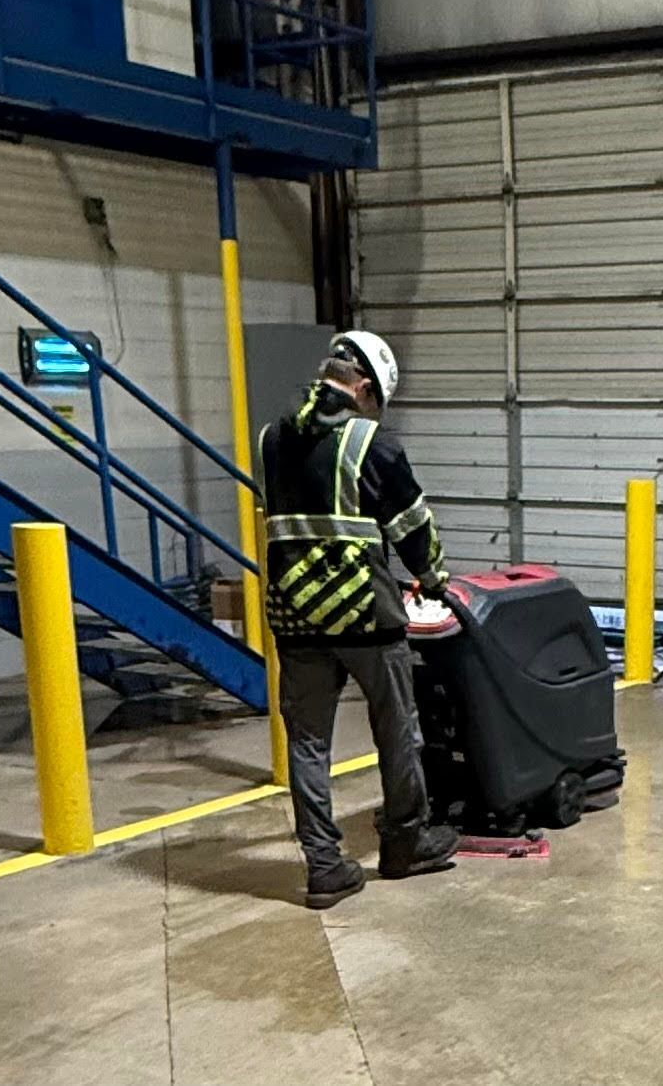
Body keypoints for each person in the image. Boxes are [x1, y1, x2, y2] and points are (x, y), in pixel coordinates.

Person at [259, 330, 459, 908]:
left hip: (296, 619)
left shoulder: (273, 438)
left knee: (308, 743)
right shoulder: (372, 445)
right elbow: (413, 531)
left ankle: (324, 866)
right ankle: (405, 843)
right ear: (365, 389)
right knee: (397, 730)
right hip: (366, 618)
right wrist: (435, 580)